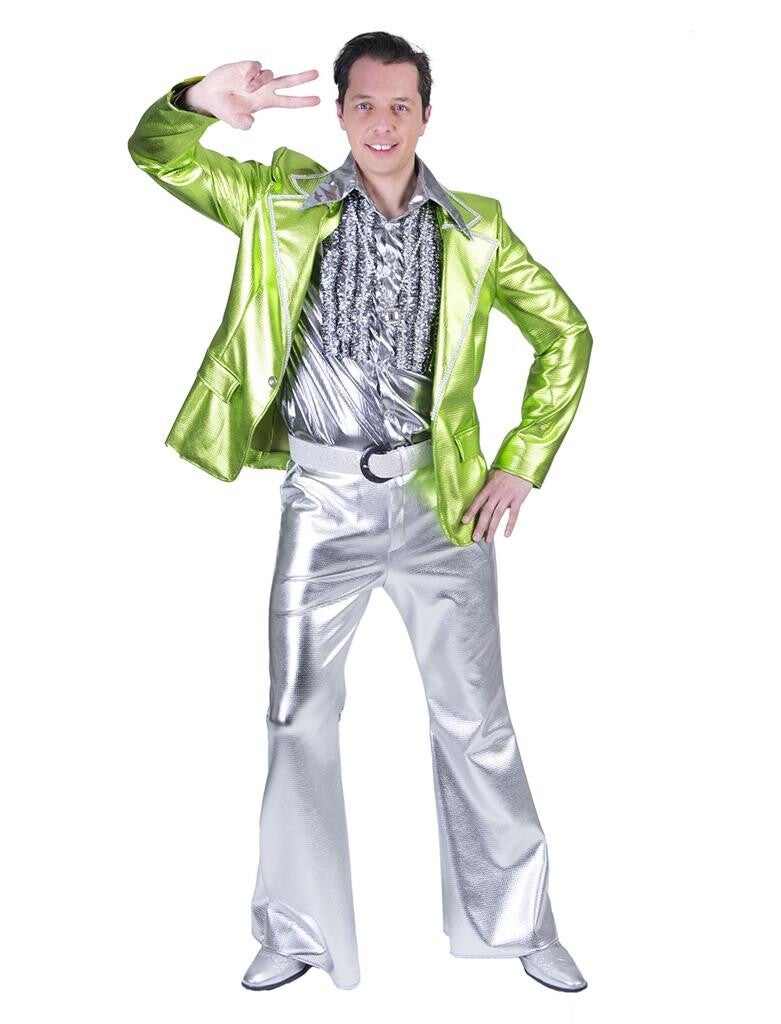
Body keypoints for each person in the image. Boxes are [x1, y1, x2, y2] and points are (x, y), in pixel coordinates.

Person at [128, 31, 593, 994]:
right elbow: (158, 157)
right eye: (365, 105)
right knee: (296, 713)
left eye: (400, 106)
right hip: (322, 502)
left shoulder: (476, 229)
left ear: (425, 115)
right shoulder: (279, 202)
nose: (382, 124)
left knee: (476, 721)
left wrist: (521, 462)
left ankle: (517, 923)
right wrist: (195, 100)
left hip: (440, 507)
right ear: (340, 111)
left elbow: (566, 334)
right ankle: (295, 930)